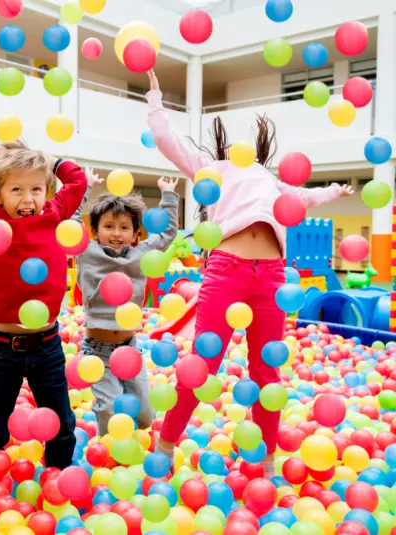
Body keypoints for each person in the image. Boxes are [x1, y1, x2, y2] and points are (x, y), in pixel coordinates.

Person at [145, 70, 354, 474]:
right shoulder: (212, 169)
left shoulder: (270, 179)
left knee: (265, 369)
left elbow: (303, 197)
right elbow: (168, 144)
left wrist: (334, 192)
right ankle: (167, 443)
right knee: (203, 361)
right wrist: (155, 101)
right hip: (227, 270)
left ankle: (270, 457)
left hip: (273, 276)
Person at [0, 87, 88, 479]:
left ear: (47, 192)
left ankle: (61, 481)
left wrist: (49, 159)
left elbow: (76, 180)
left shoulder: (55, 212)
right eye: (16, 189)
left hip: (47, 346)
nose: (27, 198)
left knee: (62, 425)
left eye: (36, 188)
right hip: (1, 348)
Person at [72, 169, 180, 436]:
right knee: (108, 409)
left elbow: (167, 234)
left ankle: (135, 448)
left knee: (145, 415)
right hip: (97, 352)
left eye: (124, 227)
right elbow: (70, 224)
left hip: (129, 347)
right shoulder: (87, 251)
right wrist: (85, 187)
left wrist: (168, 195)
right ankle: (106, 455)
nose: (116, 233)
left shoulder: (141, 254)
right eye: (108, 227)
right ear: (95, 231)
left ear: (135, 234)